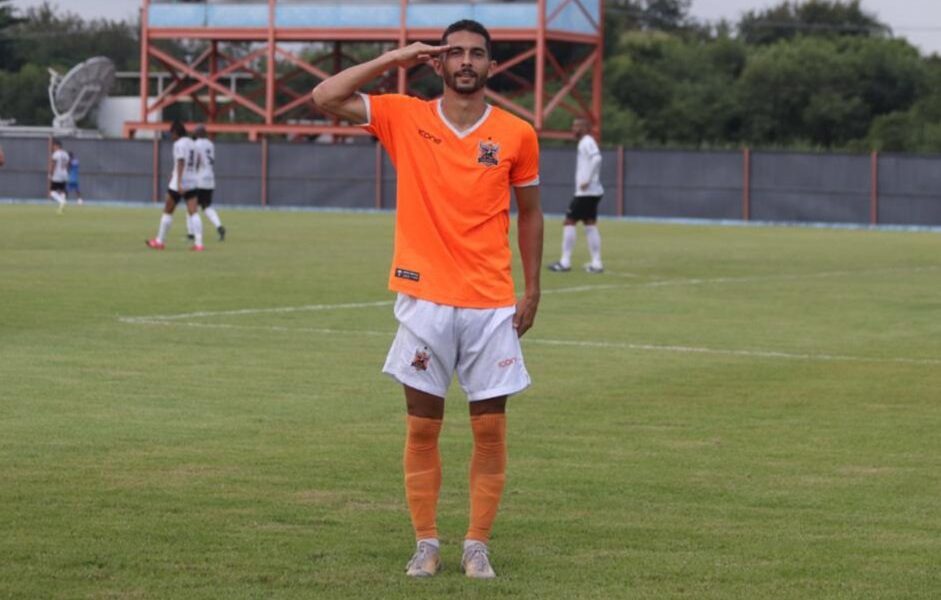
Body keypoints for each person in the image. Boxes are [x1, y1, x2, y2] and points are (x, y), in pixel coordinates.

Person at [312, 19, 543, 580]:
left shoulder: (517, 133)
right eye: (455, 53)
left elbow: (531, 212)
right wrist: (397, 57)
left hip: (490, 303)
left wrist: (532, 287)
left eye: (477, 54)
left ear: (491, 66)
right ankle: (426, 543)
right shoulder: (404, 114)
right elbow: (324, 96)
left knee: (490, 428)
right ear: (437, 64)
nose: (466, 61)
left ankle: (477, 544)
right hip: (425, 300)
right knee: (422, 427)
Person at [547, 117, 604, 273]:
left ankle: (565, 262)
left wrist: (588, 179)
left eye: (577, 126)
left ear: (586, 128)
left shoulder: (587, 141)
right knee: (590, 224)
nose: (574, 129)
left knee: (569, 221)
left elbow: (597, 158)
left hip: (586, 192)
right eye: (573, 126)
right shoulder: (585, 141)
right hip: (592, 192)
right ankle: (596, 263)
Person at [146, 120, 204, 251]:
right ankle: (199, 244)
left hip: (179, 184)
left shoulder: (178, 144)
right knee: (194, 212)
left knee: (168, 210)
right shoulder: (193, 144)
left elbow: (181, 162)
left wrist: (178, 183)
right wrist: (193, 174)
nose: (171, 137)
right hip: (192, 182)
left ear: (176, 133)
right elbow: (199, 160)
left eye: (171, 133)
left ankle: (160, 241)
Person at [187, 124, 226, 241]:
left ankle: (191, 234)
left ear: (197, 133)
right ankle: (219, 227)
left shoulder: (195, 144)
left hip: (199, 179)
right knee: (206, 206)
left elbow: (197, 160)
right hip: (210, 179)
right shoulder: (210, 144)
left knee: (191, 206)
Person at [48, 139, 70, 214]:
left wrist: (50, 174)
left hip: (57, 174)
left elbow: (53, 165)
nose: (53, 147)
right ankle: (61, 208)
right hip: (65, 174)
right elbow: (67, 165)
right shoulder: (66, 153)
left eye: (54, 146)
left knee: (52, 192)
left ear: (57, 145)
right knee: (62, 190)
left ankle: (62, 201)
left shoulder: (56, 154)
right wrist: (66, 174)